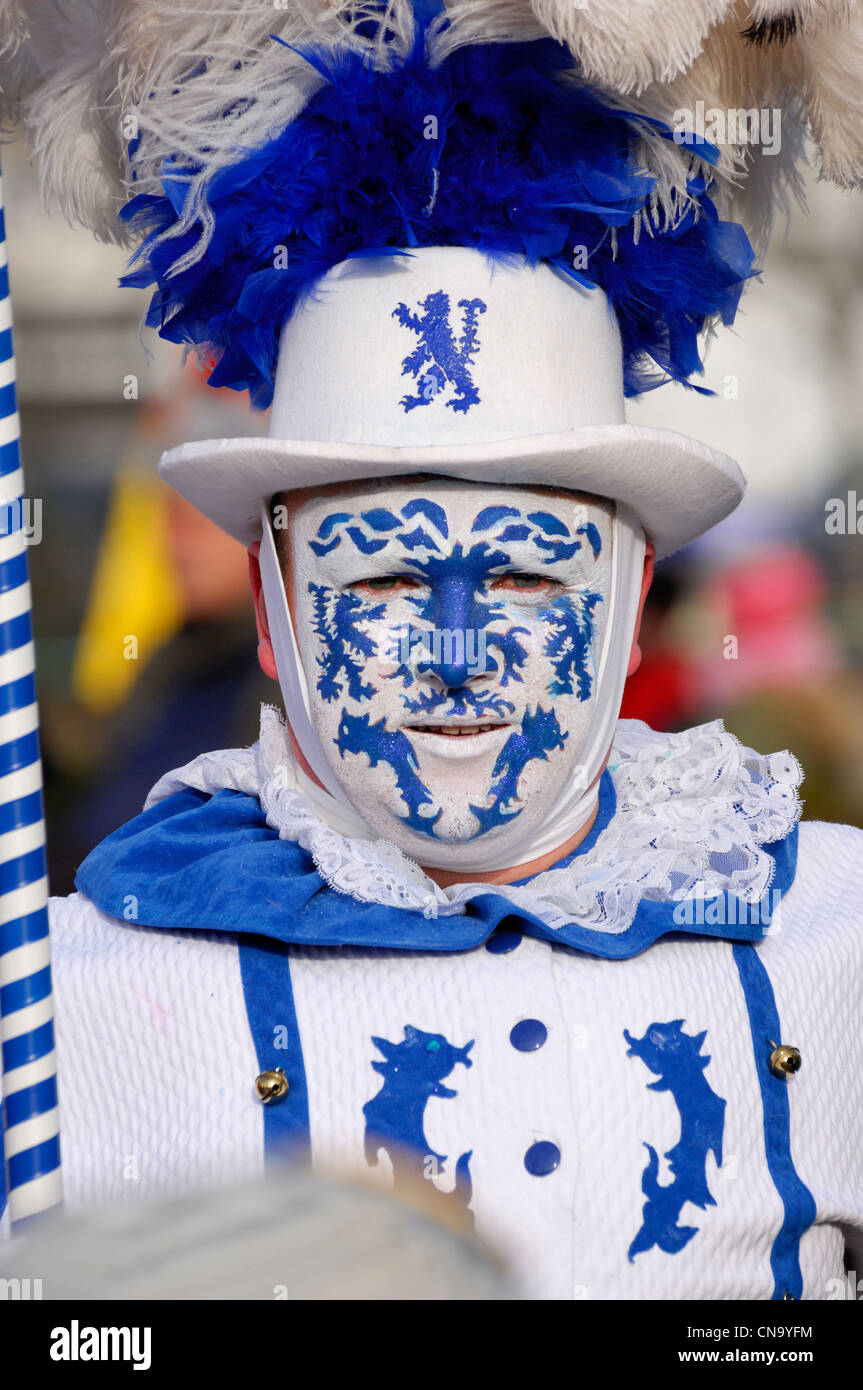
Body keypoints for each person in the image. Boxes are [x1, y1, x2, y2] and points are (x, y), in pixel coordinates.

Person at [3, 1, 862, 1301]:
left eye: (523, 573)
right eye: (389, 574)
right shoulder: (57, 1003)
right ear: (274, 601)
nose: (457, 657)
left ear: (632, 595)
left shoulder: (839, 936)